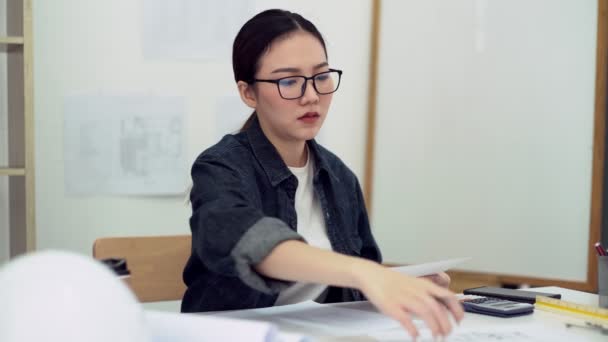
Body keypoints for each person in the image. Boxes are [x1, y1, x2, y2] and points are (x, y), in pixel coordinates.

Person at [182, 9, 463, 339]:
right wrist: (365, 274)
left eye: (321, 76)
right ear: (248, 93)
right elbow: (255, 245)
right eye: (288, 81)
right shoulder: (219, 168)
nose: (312, 95)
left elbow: (356, 282)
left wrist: (400, 285)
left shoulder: (339, 177)